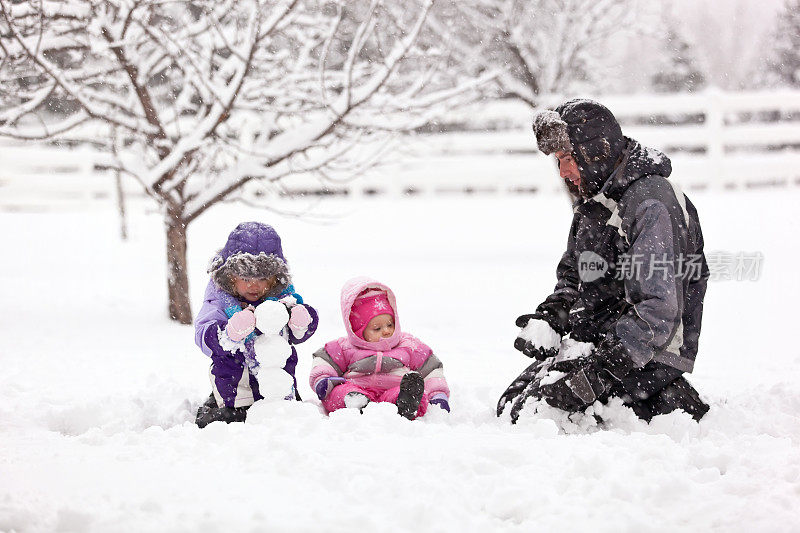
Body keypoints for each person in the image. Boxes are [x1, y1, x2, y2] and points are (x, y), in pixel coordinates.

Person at [497, 99, 710, 424]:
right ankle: (640, 400)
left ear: (594, 150)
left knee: (540, 416)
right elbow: (576, 274)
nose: (564, 171)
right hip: (600, 338)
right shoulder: (596, 199)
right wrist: (555, 315)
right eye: (558, 161)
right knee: (513, 405)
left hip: (648, 352)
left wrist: (598, 373)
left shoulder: (649, 204)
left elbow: (659, 311)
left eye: (567, 159)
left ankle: (665, 398)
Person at [194, 222, 318, 428]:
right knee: (231, 422)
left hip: (278, 380)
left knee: (286, 419)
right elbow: (203, 334)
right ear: (230, 276)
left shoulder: (283, 297)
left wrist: (302, 322)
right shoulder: (220, 299)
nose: (254, 285)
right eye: (245, 278)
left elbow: (297, 333)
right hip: (234, 383)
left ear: (274, 278)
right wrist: (229, 333)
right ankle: (225, 407)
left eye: (262, 279)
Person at [310, 277, 450, 420]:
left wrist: (438, 394)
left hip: (393, 389)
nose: (386, 331)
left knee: (417, 396)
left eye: (390, 324)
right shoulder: (345, 347)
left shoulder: (408, 345)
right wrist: (323, 380)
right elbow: (324, 360)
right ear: (357, 331)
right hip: (357, 389)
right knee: (338, 392)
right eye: (377, 328)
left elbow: (431, 368)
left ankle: (406, 402)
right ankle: (356, 403)